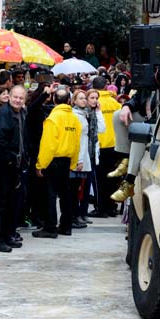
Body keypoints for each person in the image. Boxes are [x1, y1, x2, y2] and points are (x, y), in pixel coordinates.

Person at [32, 88, 81, 238]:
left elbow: (48, 145)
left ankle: (50, 227)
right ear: (69, 101)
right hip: (66, 160)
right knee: (65, 194)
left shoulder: (52, 119)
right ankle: (66, 226)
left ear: (54, 100)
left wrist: (40, 164)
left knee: (50, 194)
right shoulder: (74, 119)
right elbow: (76, 143)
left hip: (53, 161)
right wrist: (73, 162)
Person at [0, 85, 28, 252]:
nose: (17, 100)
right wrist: (11, 158)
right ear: (9, 97)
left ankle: (7, 234)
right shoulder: (3, 113)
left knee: (12, 202)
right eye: (15, 97)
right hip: (3, 165)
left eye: (21, 98)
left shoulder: (23, 113)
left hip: (16, 165)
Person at [71, 89, 104, 228]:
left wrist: (98, 112)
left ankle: (82, 213)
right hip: (81, 156)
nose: (93, 100)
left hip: (90, 154)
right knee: (79, 188)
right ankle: (77, 214)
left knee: (86, 186)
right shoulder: (79, 114)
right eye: (91, 97)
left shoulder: (90, 114)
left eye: (96, 98)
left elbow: (101, 129)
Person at [91, 76, 122, 216]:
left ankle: (102, 208)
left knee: (100, 180)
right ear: (106, 86)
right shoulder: (115, 103)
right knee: (113, 178)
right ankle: (112, 207)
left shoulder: (94, 103)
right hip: (114, 145)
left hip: (100, 146)